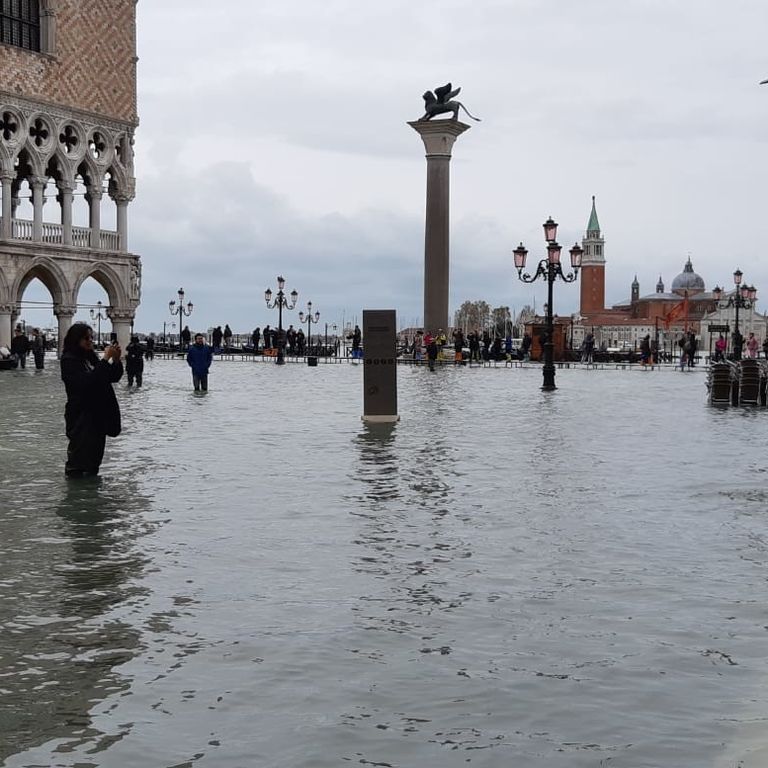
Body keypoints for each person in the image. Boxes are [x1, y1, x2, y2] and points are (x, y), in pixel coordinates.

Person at [60, 323, 123, 477]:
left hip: (97, 416)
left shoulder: (89, 358)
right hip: (81, 417)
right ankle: (77, 497)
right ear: (76, 340)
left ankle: (91, 496)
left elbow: (110, 377)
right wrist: (105, 358)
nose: (90, 341)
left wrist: (115, 360)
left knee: (94, 461)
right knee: (78, 462)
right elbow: (87, 383)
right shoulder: (69, 360)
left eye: (91, 338)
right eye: (86, 338)